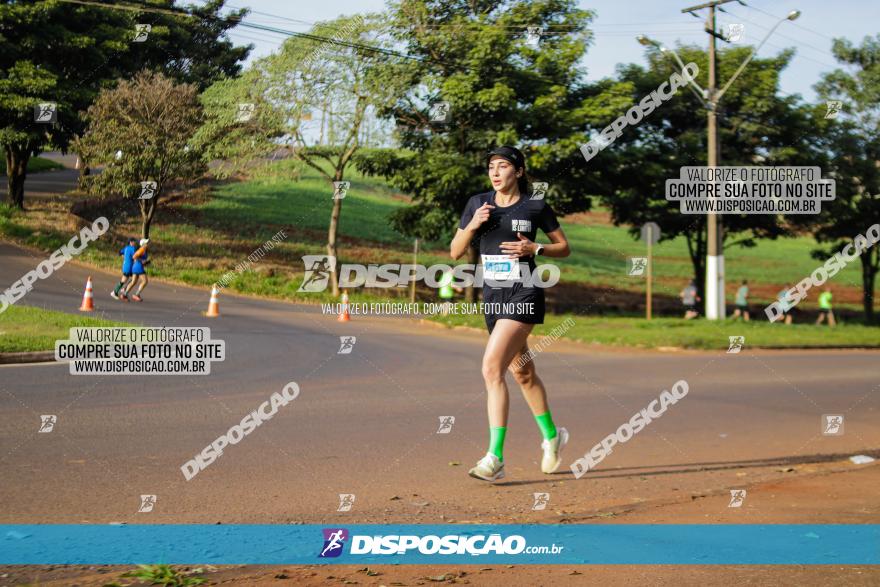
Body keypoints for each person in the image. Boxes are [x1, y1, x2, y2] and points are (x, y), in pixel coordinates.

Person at [450, 145, 571, 482]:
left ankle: (495, 458)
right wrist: (472, 225)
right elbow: (456, 250)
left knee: (492, 369)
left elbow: (564, 247)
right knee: (523, 373)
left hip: (525, 291)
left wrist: (536, 248)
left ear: (518, 171)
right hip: (493, 296)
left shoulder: (535, 206)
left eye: (503, 166)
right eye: (491, 166)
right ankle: (552, 436)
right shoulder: (477, 204)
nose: (495, 171)